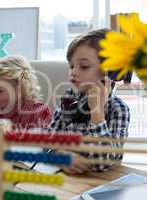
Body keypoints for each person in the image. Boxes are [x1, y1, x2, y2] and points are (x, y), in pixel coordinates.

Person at [48, 28, 130, 174]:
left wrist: (96, 113)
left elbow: (102, 164)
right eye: (71, 66)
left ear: (110, 73)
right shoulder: (69, 98)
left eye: (84, 66)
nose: (73, 72)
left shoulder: (118, 109)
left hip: (98, 183)